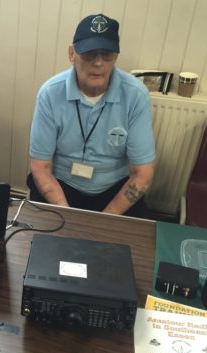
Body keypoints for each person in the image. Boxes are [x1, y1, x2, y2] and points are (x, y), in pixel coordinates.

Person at [27, 14, 155, 217]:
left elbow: (142, 174)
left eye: (107, 54)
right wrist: (66, 215)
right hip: (61, 186)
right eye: (89, 54)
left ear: (116, 56)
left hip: (113, 190)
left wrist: (103, 220)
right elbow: (41, 167)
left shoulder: (136, 95)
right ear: (72, 54)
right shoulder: (50, 94)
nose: (98, 63)